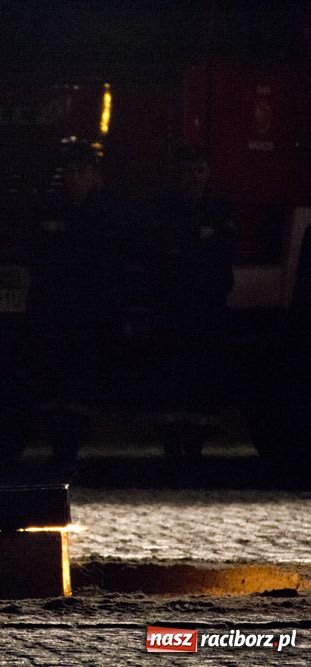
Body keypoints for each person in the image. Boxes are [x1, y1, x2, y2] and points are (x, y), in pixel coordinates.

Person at [27, 142, 125, 462]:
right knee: (56, 385)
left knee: (81, 384)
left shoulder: (106, 214)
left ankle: (72, 449)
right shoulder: (51, 209)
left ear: (95, 177)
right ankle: (60, 450)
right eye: (70, 172)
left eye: (81, 172)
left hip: (87, 311)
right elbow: (35, 254)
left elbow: (111, 263)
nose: (74, 179)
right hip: (54, 309)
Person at [152, 146, 235, 458]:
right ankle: (173, 447)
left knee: (201, 375)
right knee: (172, 374)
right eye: (188, 171)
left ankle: (196, 447)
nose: (194, 177)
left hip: (206, 306)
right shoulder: (164, 210)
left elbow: (223, 254)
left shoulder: (219, 211)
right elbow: (158, 255)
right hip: (173, 305)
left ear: (208, 173)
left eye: (200, 170)